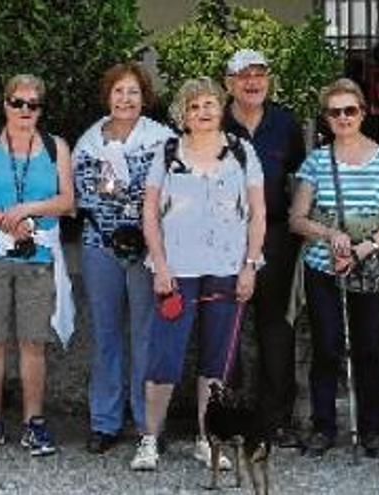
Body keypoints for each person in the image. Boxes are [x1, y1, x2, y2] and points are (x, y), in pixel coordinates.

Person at [130, 77, 266, 471]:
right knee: (164, 358)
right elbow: (150, 213)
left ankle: (207, 440)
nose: (203, 112)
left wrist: (250, 265)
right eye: (194, 107)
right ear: (182, 116)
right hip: (177, 270)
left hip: (227, 267)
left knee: (217, 360)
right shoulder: (167, 152)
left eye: (209, 104)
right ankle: (150, 439)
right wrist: (160, 264)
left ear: (221, 107)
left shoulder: (243, 152)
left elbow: (258, 213)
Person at [0, 73, 73, 457]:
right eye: (17, 102)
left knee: (32, 342)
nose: (24, 110)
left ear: (41, 109)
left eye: (33, 104)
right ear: (5, 104)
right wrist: (5, 221)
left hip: (37, 256)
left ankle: (33, 422)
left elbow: (66, 201)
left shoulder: (56, 147)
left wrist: (27, 211)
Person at [288, 78, 379, 457]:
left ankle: (374, 430)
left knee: (370, 347)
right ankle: (323, 426)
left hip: (370, 266)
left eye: (349, 110)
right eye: (334, 112)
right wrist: (329, 233)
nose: (343, 117)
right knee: (327, 346)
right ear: (326, 118)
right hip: (324, 267)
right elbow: (297, 219)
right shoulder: (316, 161)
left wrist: (365, 248)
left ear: (363, 113)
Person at [73, 62, 174, 454]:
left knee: (147, 335)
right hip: (100, 245)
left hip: (149, 248)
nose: (126, 99)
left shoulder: (162, 139)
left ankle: (149, 423)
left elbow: (166, 192)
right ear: (108, 96)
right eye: (119, 91)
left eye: (133, 92)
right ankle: (105, 421)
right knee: (106, 334)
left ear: (144, 96)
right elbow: (85, 196)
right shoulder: (89, 141)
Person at [222, 49, 306, 448]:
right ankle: (229, 415)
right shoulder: (211, 119)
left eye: (259, 74)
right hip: (221, 238)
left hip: (274, 235)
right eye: (243, 76)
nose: (252, 82)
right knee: (226, 327)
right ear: (228, 83)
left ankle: (276, 419)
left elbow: (298, 180)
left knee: (276, 326)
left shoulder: (285, 124)